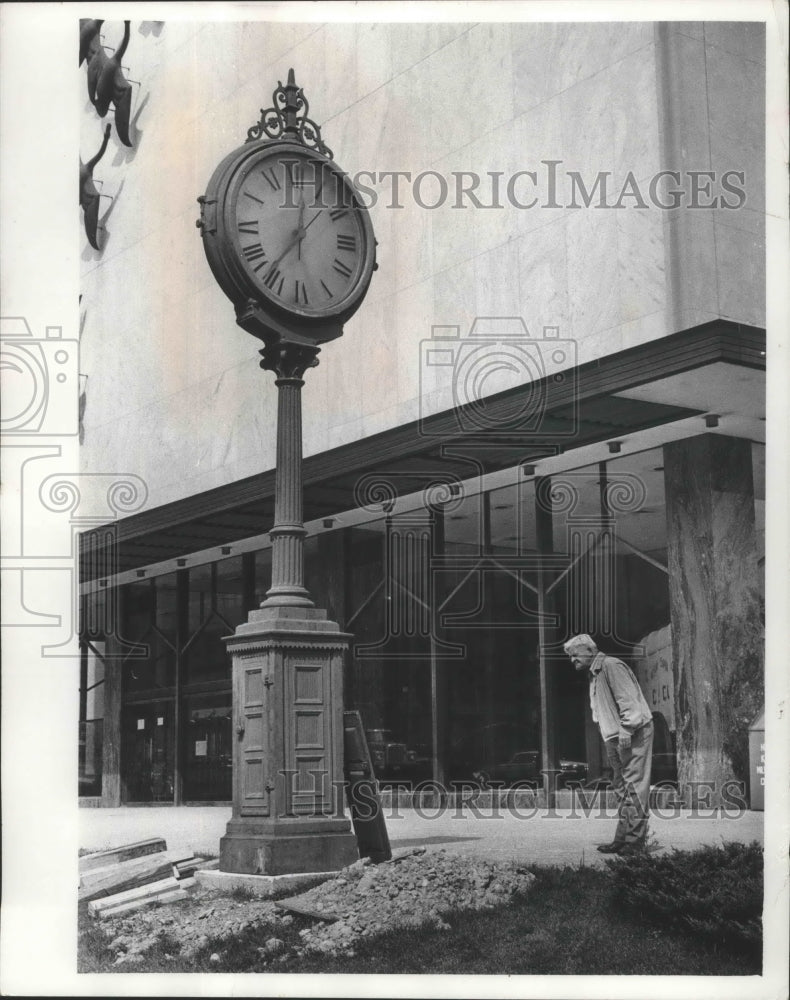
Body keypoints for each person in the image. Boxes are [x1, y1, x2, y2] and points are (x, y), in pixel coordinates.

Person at [564, 634, 654, 855]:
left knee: (633, 787)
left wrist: (626, 729)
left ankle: (635, 843)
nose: (572, 660)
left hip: (631, 733)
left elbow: (629, 701)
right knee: (622, 788)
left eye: (575, 655)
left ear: (590, 650)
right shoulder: (595, 673)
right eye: (570, 656)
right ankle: (622, 839)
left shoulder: (611, 665)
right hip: (615, 736)